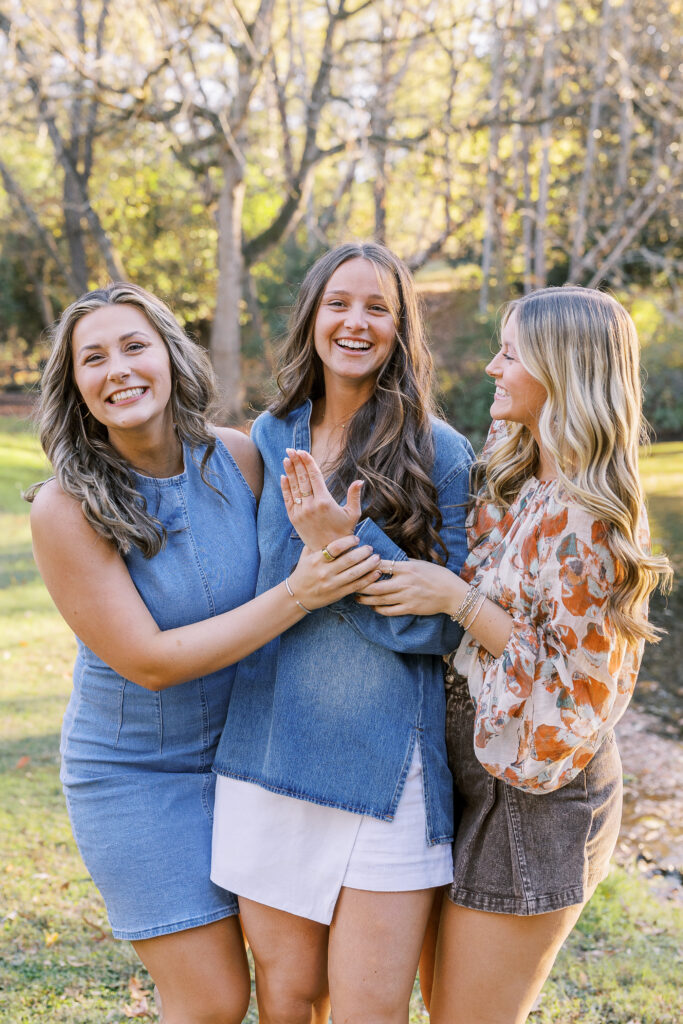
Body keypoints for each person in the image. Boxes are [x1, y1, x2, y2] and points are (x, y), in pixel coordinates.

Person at [26, 282, 382, 1024]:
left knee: (296, 980)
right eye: (93, 358)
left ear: (168, 355)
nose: (117, 369)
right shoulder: (66, 507)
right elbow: (149, 660)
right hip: (137, 774)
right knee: (213, 999)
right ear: (75, 386)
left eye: (133, 346)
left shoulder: (241, 457)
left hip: (249, 762)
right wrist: (301, 594)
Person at [356, 285, 673, 1024]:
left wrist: (455, 600)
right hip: (472, 763)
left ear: (561, 369)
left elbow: (571, 695)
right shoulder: (518, 477)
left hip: (539, 786)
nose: (493, 368)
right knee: (445, 1007)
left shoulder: (592, 516)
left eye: (510, 354)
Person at [209, 242, 474, 1024]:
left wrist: (344, 544)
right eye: (338, 304)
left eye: (376, 308)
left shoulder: (440, 451)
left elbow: (440, 631)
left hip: (383, 773)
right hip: (267, 756)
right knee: (287, 999)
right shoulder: (270, 434)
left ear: (401, 329)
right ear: (311, 317)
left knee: (366, 1010)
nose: (355, 322)